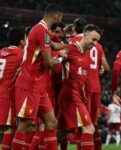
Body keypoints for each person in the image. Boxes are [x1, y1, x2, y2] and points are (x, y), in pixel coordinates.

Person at [12, 3, 66, 150]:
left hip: (39, 85)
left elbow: (54, 46)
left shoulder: (42, 30)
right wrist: (62, 59)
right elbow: (49, 62)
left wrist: (70, 46)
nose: (60, 21)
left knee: (51, 122)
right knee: (26, 125)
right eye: (60, 18)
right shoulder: (41, 31)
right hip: (30, 83)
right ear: (56, 16)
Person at [58, 24, 101, 150]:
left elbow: (82, 81)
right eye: (93, 39)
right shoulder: (70, 48)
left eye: (97, 41)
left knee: (60, 132)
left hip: (74, 96)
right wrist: (58, 56)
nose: (95, 43)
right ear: (85, 35)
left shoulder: (85, 56)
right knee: (89, 128)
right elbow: (52, 60)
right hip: (70, 95)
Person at [70, 17, 109, 150]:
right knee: (92, 124)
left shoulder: (73, 42)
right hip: (96, 87)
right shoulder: (98, 45)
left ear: (75, 29)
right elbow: (107, 68)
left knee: (84, 127)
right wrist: (99, 71)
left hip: (82, 87)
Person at [0, 27, 25, 150]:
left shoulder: (1, 52)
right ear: (21, 41)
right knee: (9, 128)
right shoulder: (21, 54)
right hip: (7, 95)